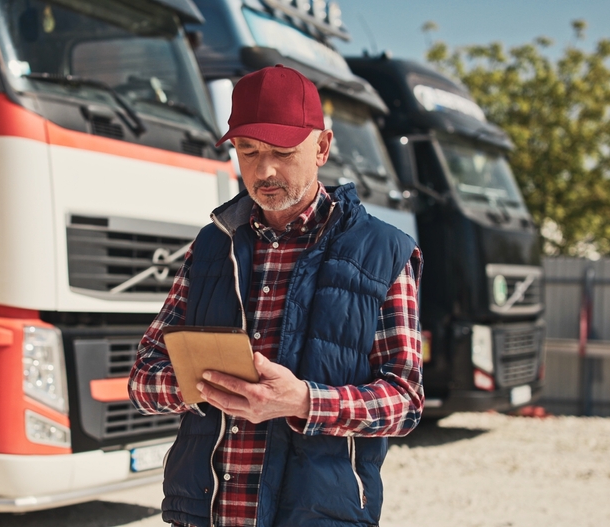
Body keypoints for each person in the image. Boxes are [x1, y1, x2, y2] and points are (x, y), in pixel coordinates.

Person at [128, 65, 424, 527]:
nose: (264, 170)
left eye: (283, 152)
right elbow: (143, 376)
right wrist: (204, 386)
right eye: (248, 151)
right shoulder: (211, 246)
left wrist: (302, 401)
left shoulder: (385, 253)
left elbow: (404, 401)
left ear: (322, 147)